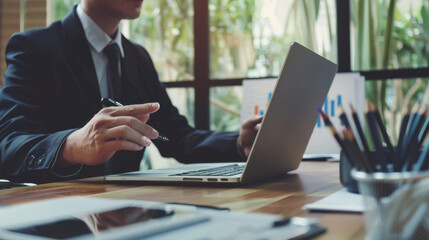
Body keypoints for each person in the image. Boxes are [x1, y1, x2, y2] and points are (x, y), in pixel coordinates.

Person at [0, 0, 262, 183]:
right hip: (57, 213)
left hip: (127, 212)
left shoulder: (138, 57)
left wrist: (239, 143)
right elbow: (8, 146)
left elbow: (176, 138)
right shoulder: (34, 48)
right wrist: (74, 145)